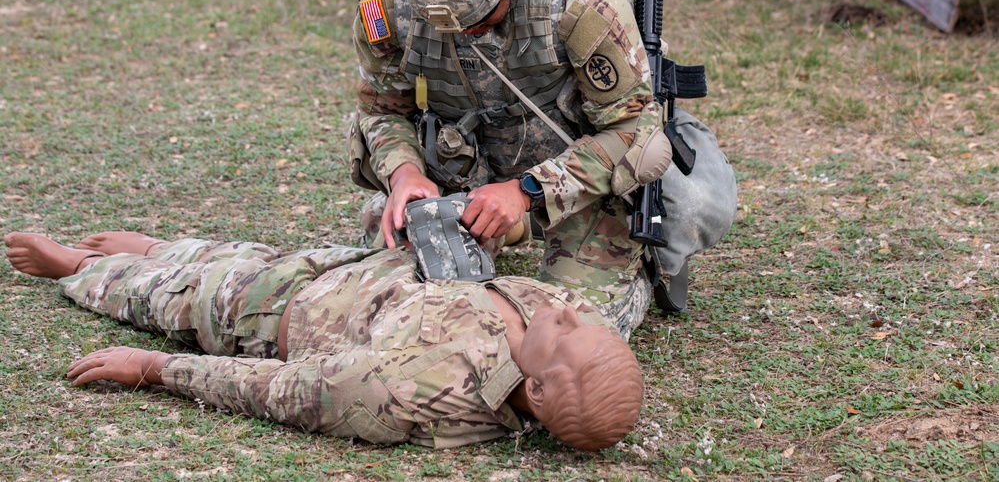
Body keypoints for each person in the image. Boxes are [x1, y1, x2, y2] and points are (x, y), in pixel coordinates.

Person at [348, 0, 737, 339]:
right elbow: (380, 110)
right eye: (446, 24)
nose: (464, 32)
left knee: (564, 336)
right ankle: (499, 225)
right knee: (384, 309)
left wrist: (526, 191)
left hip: (578, 178)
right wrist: (404, 174)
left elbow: (632, 128)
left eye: (479, 18)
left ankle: (625, 263)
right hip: (462, 166)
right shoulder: (392, 2)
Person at [3, 224, 644, 450]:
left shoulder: (408, 393)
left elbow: (276, 389)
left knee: (167, 295)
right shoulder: (569, 324)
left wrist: (153, 368)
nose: (567, 312)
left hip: (264, 317)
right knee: (229, 256)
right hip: (346, 270)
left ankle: (81, 267)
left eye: (567, 333)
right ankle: (159, 247)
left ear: (534, 385)